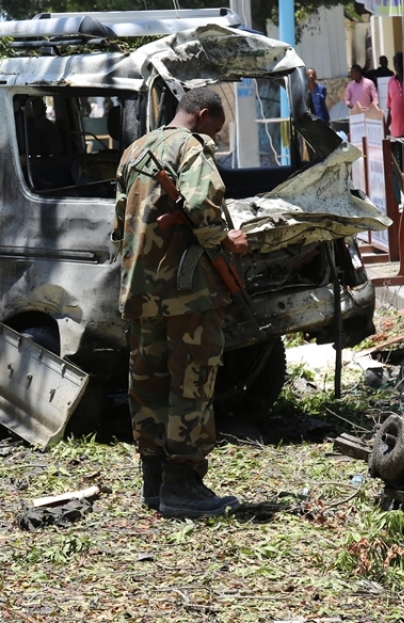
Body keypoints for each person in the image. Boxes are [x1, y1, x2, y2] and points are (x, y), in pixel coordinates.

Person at [112, 86, 248, 519]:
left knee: (148, 383)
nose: (215, 139)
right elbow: (204, 206)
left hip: (140, 289)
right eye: (216, 129)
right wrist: (229, 240)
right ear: (202, 115)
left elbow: (120, 223)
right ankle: (182, 485)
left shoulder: (136, 150)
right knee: (191, 382)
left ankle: (154, 482)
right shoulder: (189, 148)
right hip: (187, 292)